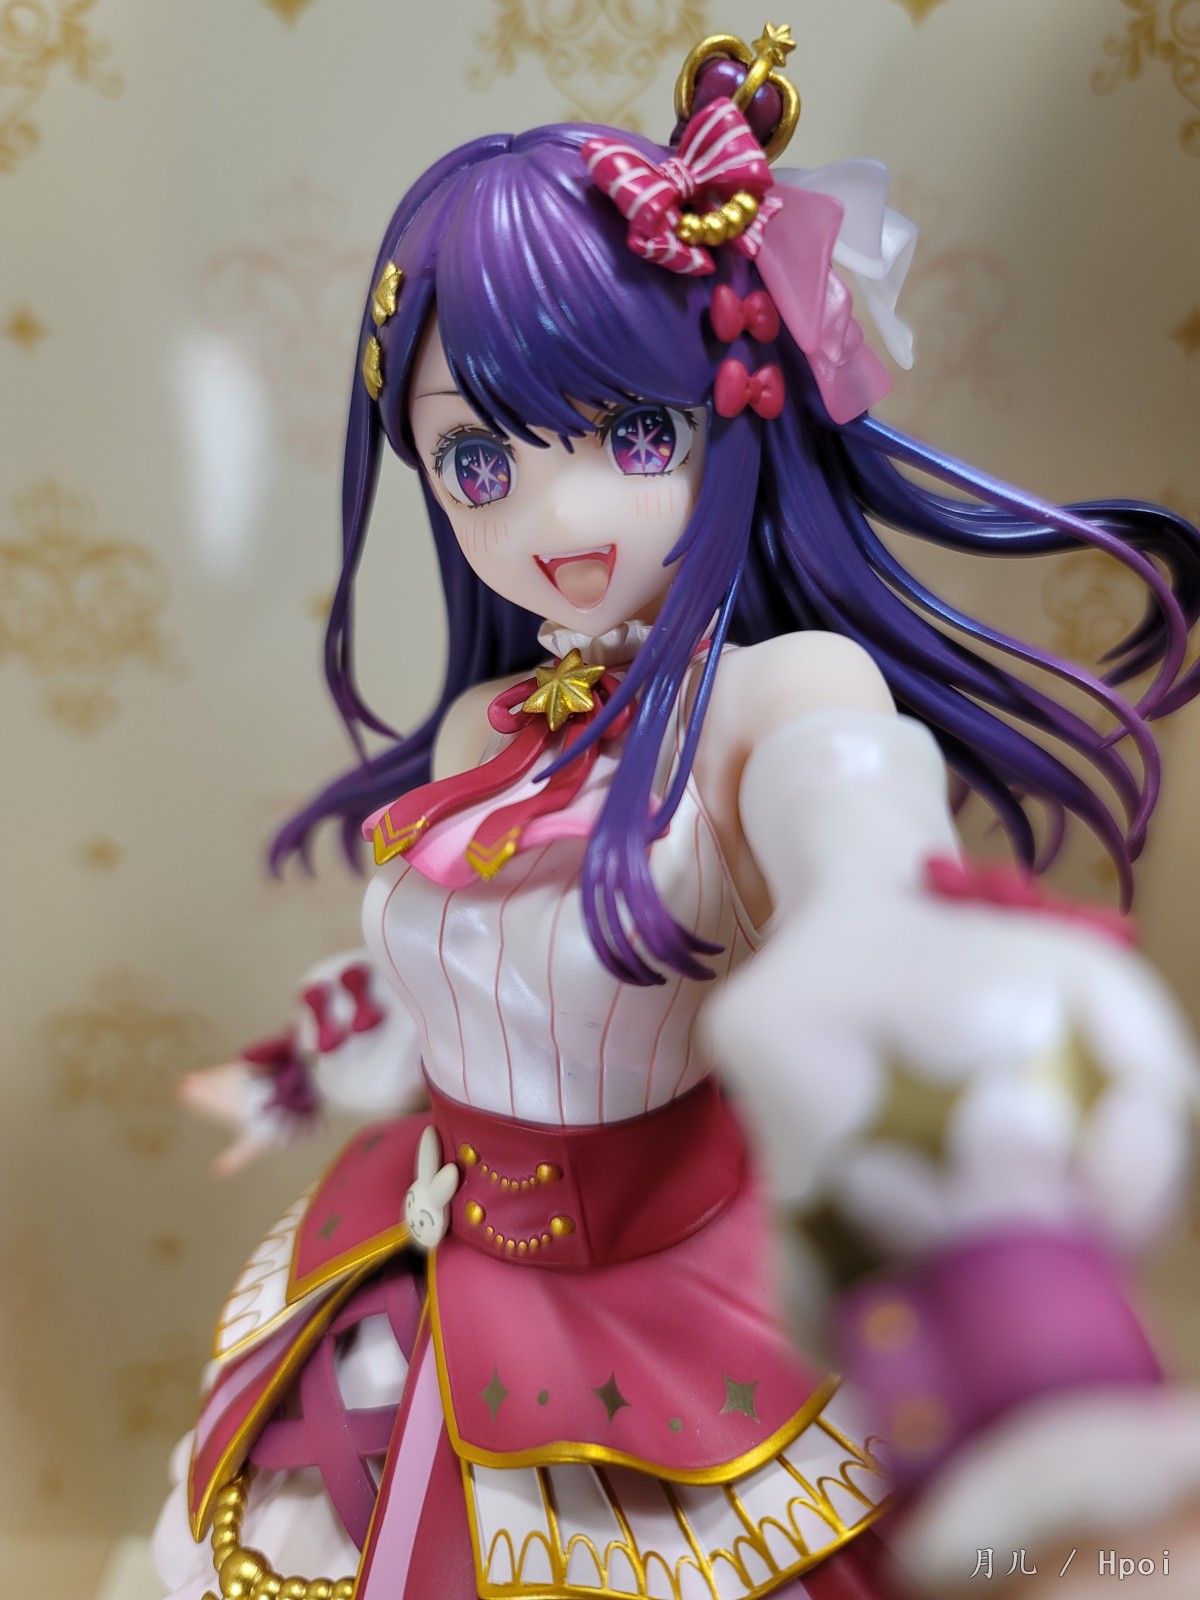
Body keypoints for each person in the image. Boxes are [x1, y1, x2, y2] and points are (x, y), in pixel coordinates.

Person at [156, 26, 1200, 1600]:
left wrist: (894, 952)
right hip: (417, 1272)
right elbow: (462, 978)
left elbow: (863, 848)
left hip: (659, 1318)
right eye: (476, 460)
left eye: (632, 435)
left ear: (733, 411)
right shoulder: (483, 726)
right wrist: (325, 1053)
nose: (558, 515)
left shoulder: (784, 697)